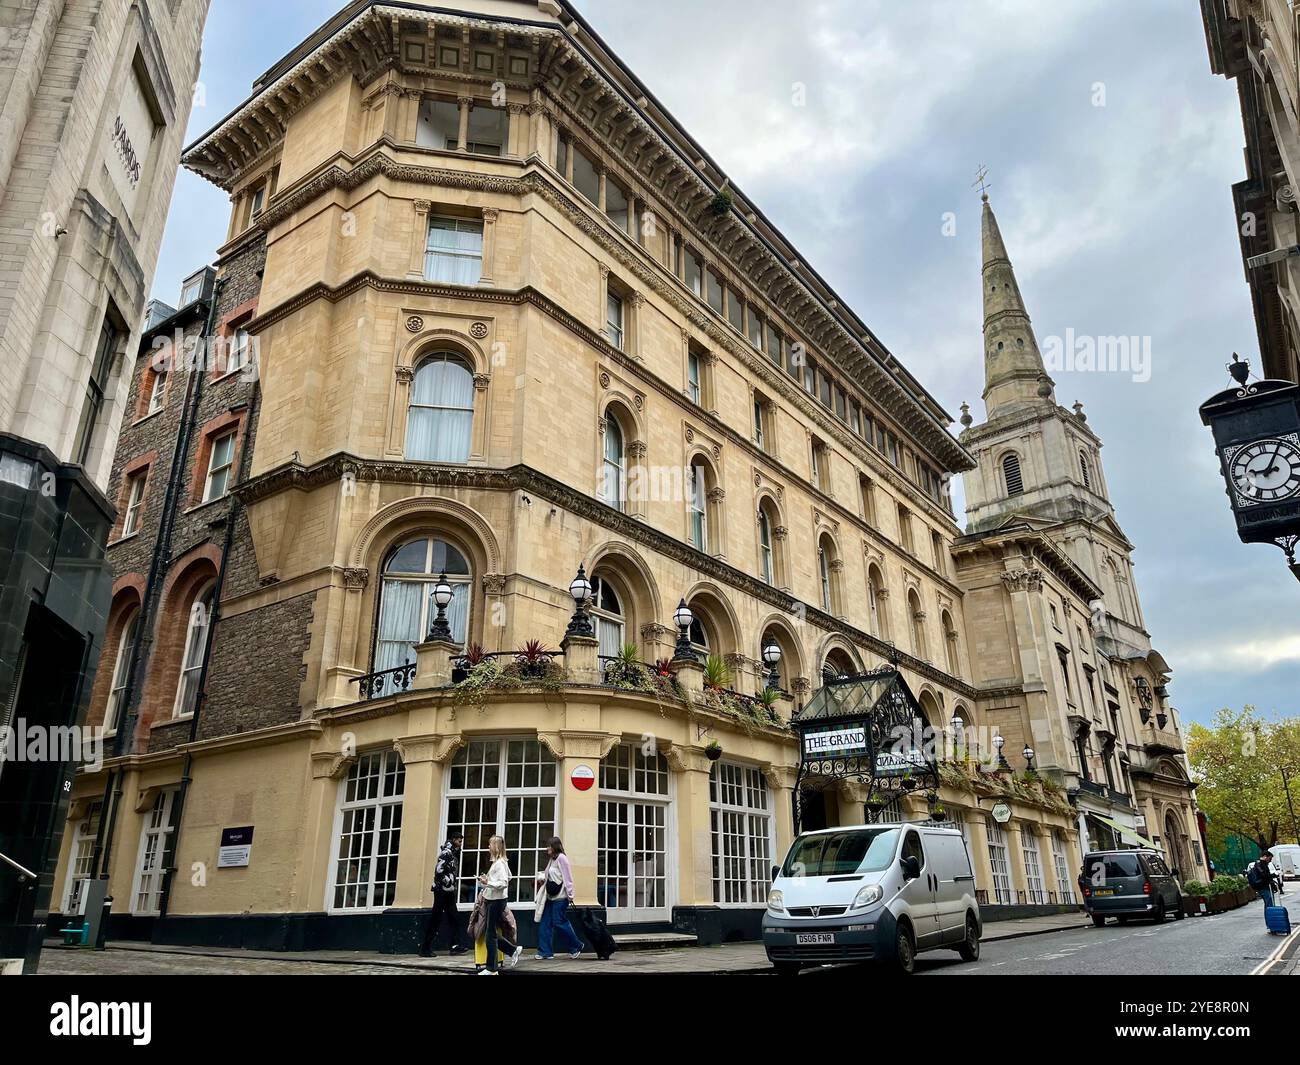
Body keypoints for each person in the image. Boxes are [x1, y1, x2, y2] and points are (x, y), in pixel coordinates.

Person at [477, 835, 523, 974]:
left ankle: (492, 969)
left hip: (496, 901)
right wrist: (489, 879)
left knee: (490, 935)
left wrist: (488, 883)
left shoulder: (499, 863)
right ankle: (513, 950)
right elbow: (509, 876)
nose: (488, 847)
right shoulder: (500, 862)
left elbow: (504, 883)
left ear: (496, 847)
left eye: (490, 844)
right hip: (495, 900)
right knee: (491, 933)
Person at [533, 836, 584, 960]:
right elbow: (549, 874)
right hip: (550, 897)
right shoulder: (552, 859)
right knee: (545, 923)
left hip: (561, 897)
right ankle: (545, 952)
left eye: (549, 846)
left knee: (559, 922)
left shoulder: (562, 858)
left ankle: (576, 946)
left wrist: (570, 895)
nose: (547, 848)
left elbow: (568, 877)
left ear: (554, 847)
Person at [421, 832, 465, 957]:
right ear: (455, 840)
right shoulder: (446, 853)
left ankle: (455, 945)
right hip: (441, 891)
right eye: (460, 841)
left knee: (454, 917)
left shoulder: (452, 853)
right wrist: (448, 882)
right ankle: (425, 947)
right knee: (436, 918)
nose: (461, 844)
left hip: (448, 891)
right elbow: (439, 870)